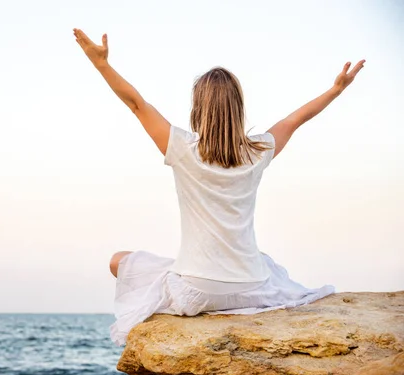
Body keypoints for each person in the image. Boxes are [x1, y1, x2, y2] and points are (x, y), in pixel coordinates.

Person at [72, 28, 365, 347]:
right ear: (238, 106)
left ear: (198, 108)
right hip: (252, 287)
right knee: (263, 261)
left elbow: (137, 104)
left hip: (198, 291)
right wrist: (336, 89)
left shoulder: (182, 147)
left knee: (119, 260)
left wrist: (101, 64)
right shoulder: (259, 151)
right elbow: (295, 119)